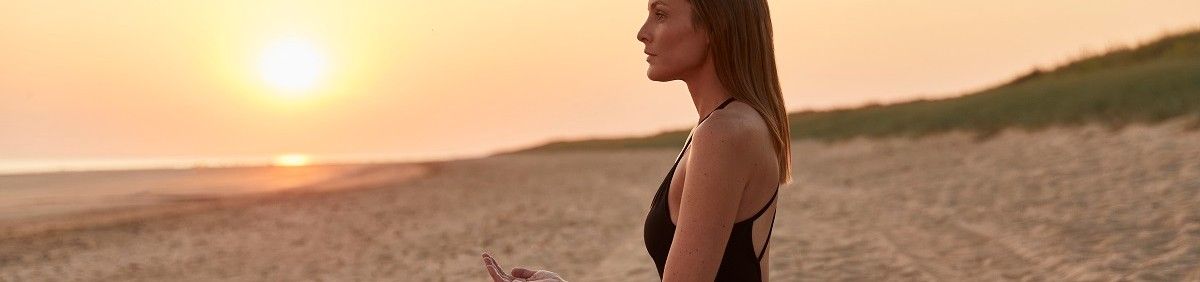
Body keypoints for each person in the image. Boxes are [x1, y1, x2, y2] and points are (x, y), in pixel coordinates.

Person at [484, 0, 791, 280]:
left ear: (714, 27)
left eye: (660, 14)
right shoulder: (725, 125)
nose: (642, 33)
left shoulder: (724, 133)